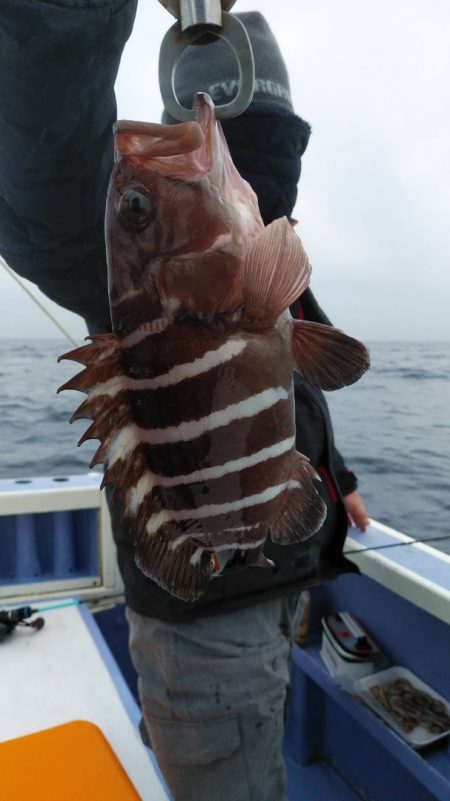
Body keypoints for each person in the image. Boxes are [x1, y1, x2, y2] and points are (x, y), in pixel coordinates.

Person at [0, 4, 368, 800]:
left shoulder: (267, 264)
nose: (261, 167)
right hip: (202, 634)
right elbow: (42, 173)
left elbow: (302, 378)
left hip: (280, 576)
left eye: (273, 145)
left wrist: (337, 478)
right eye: (253, 142)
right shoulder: (124, 269)